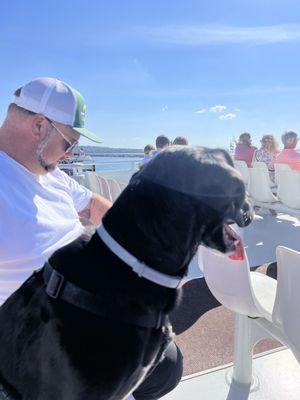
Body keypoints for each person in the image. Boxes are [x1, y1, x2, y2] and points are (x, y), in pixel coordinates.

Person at [0, 77, 182, 400]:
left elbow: (96, 205)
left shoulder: (51, 174)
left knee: (168, 365)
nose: (71, 154)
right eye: (69, 142)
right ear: (39, 126)